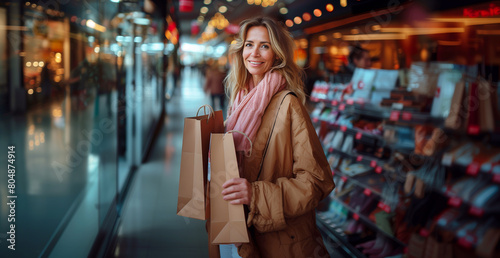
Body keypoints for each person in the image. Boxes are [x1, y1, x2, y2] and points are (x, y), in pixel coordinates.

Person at [219, 17, 335, 257]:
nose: (255, 53)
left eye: (265, 45)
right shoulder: (240, 100)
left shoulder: (288, 104)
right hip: (238, 230)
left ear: (277, 54)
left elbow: (316, 181)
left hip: (279, 240)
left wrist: (255, 194)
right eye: (249, 44)